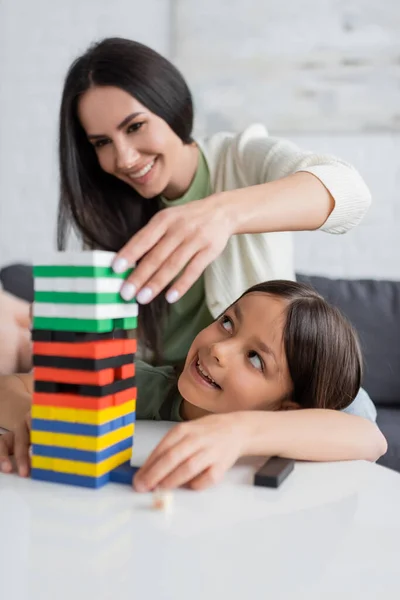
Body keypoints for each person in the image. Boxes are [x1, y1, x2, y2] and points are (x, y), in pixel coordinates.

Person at [0, 37, 376, 434]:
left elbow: (350, 193)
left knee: (358, 414)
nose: (124, 158)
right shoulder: (112, 216)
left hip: (252, 405)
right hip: (172, 397)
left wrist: (223, 213)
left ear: (170, 105)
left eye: (135, 126)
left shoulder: (240, 159)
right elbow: (106, 358)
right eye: (102, 143)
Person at [0, 281, 387, 489]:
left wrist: (234, 431)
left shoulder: (328, 413)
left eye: (255, 358)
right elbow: (12, 388)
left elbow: (372, 439)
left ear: (285, 408)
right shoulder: (149, 386)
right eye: (228, 323)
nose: (218, 349)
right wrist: (38, 419)